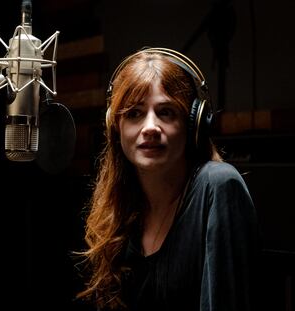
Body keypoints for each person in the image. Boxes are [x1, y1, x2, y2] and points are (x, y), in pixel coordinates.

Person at [75, 47, 260, 310]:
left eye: (166, 112)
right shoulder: (121, 213)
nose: (150, 127)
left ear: (193, 125)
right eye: (134, 113)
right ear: (115, 129)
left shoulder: (218, 186)